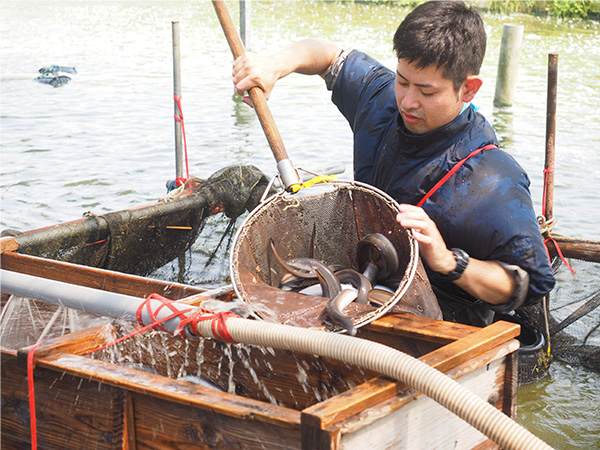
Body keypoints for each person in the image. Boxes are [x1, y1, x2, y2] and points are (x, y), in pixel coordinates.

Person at [231, 1, 555, 327]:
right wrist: (274, 65)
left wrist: (448, 261)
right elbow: (329, 56)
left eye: (427, 91)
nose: (408, 102)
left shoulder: (494, 180)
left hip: (438, 322)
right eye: (403, 81)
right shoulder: (383, 99)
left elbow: (529, 283)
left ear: (468, 88)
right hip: (360, 287)